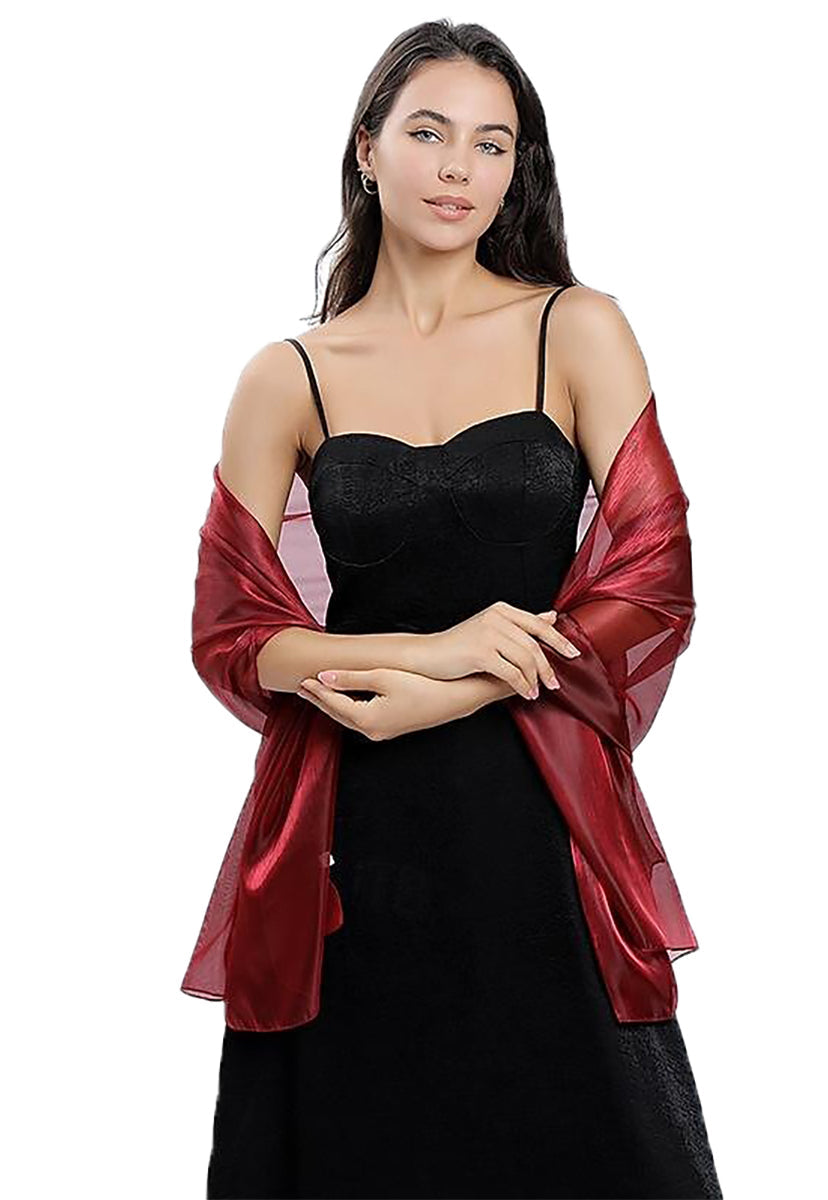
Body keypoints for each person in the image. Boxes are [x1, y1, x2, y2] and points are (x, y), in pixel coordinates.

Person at [202, 18, 723, 1200]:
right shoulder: (286, 376)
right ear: (367, 147)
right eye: (430, 133)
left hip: (543, 816)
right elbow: (234, 636)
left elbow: (654, 576)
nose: (459, 169)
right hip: (349, 832)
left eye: (493, 144)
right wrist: (433, 649)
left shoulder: (575, 328)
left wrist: (458, 689)